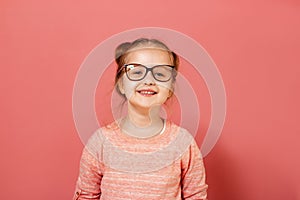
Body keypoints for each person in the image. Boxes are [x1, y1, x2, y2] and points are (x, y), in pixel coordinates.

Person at [73, 38, 208, 200]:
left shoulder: (183, 143)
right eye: (137, 72)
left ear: (170, 87)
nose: (149, 80)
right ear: (121, 84)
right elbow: (86, 196)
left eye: (160, 73)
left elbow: (196, 196)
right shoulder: (100, 142)